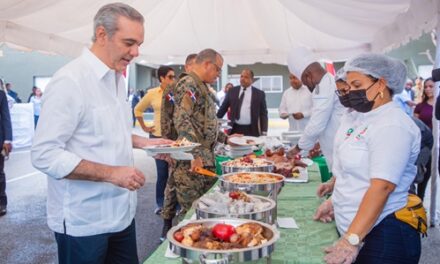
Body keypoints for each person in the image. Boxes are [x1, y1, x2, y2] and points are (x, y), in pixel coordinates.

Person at [30, 3, 172, 263]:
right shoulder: (70, 81)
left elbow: (106, 132)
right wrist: (111, 173)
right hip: (83, 222)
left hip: (121, 215)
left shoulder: (117, 78)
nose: (136, 52)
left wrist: (146, 143)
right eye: (129, 42)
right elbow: (44, 154)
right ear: (102, 34)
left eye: (139, 44)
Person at [314, 53, 421, 263]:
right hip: (360, 229)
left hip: (384, 233)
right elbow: (352, 173)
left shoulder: (392, 124)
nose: (351, 92)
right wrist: (336, 201)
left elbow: (382, 187)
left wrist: (350, 241)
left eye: (356, 84)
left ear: (381, 83)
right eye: (349, 86)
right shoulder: (362, 117)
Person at [165, 49, 228, 235]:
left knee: (205, 211)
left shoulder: (201, 86)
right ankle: (180, 249)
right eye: (217, 69)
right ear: (207, 64)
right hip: (191, 163)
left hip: (204, 158)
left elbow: (204, 121)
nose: (218, 74)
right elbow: (182, 119)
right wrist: (194, 154)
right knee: (191, 214)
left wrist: (226, 138)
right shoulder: (189, 84)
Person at [286, 47, 344, 170]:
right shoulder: (325, 83)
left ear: (308, 76)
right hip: (334, 145)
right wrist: (317, 143)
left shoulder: (324, 86)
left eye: (305, 83)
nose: (306, 86)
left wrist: (297, 148)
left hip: (339, 149)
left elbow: (317, 122)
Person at [159, 53, 196, 241]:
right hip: (176, 145)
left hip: (192, 147)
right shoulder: (172, 90)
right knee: (172, 185)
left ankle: (173, 225)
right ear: (188, 67)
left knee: (177, 184)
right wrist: (168, 147)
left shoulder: (197, 89)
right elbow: (165, 120)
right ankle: (167, 223)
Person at [134, 65, 175, 214]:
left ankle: (175, 205)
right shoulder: (152, 93)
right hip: (157, 136)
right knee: (162, 172)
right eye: (170, 77)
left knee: (176, 172)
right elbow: (138, 109)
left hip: (174, 138)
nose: (173, 80)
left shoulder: (177, 93)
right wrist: (144, 127)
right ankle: (160, 203)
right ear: (162, 78)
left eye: (174, 76)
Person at [217, 68, 268, 137]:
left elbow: (263, 114)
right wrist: (214, 121)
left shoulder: (259, 94)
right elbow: (223, 109)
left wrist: (264, 131)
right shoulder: (232, 91)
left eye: (246, 77)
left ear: (252, 80)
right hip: (234, 128)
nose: (242, 79)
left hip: (252, 130)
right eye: (241, 76)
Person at [413, 77, 435, 200]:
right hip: (425, 147)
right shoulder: (420, 106)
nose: (427, 89)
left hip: (438, 145)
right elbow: (415, 127)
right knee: (423, 176)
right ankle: (419, 202)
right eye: (426, 86)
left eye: (431, 86)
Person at [0, 79, 13, 217]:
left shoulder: (1, 95)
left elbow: (5, 118)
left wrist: (8, 139)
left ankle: (1, 203)